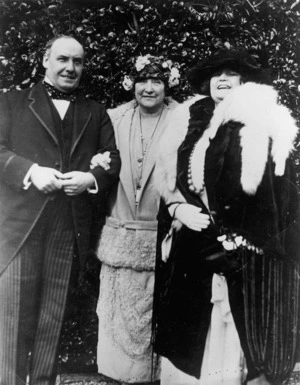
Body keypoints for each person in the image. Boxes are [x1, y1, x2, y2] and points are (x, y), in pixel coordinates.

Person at [152, 48, 300, 385]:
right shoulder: (189, 119)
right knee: (190, 337)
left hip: (240, 256)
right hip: (193, 248)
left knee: (237, 336)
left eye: (231, 73)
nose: (222, 78)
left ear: (244, 80)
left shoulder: (261, 121)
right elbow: (170, 183)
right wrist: (178, 208)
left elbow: (278, 197)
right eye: (216, 73)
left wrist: (243, 236)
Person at [0, 35, 121, 385]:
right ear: (45, 61)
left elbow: (112, 159)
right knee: (10, 315)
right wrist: (31, 172)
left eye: (78, 62)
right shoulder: (11, 102)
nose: (70, 68)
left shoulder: (95, 111)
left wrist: (90, 177)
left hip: (68, 224)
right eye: (63, 59)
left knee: (53, 315)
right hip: (18, 226)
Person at [90, 54, 180, 383]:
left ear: (167, 83)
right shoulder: (112, 119)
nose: (149, 87)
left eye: (157, 80)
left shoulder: (183, 118)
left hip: (162, 238)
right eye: (142, 80)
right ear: (132, 84)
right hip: (120, 232)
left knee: (155, 319)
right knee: (118, 318)